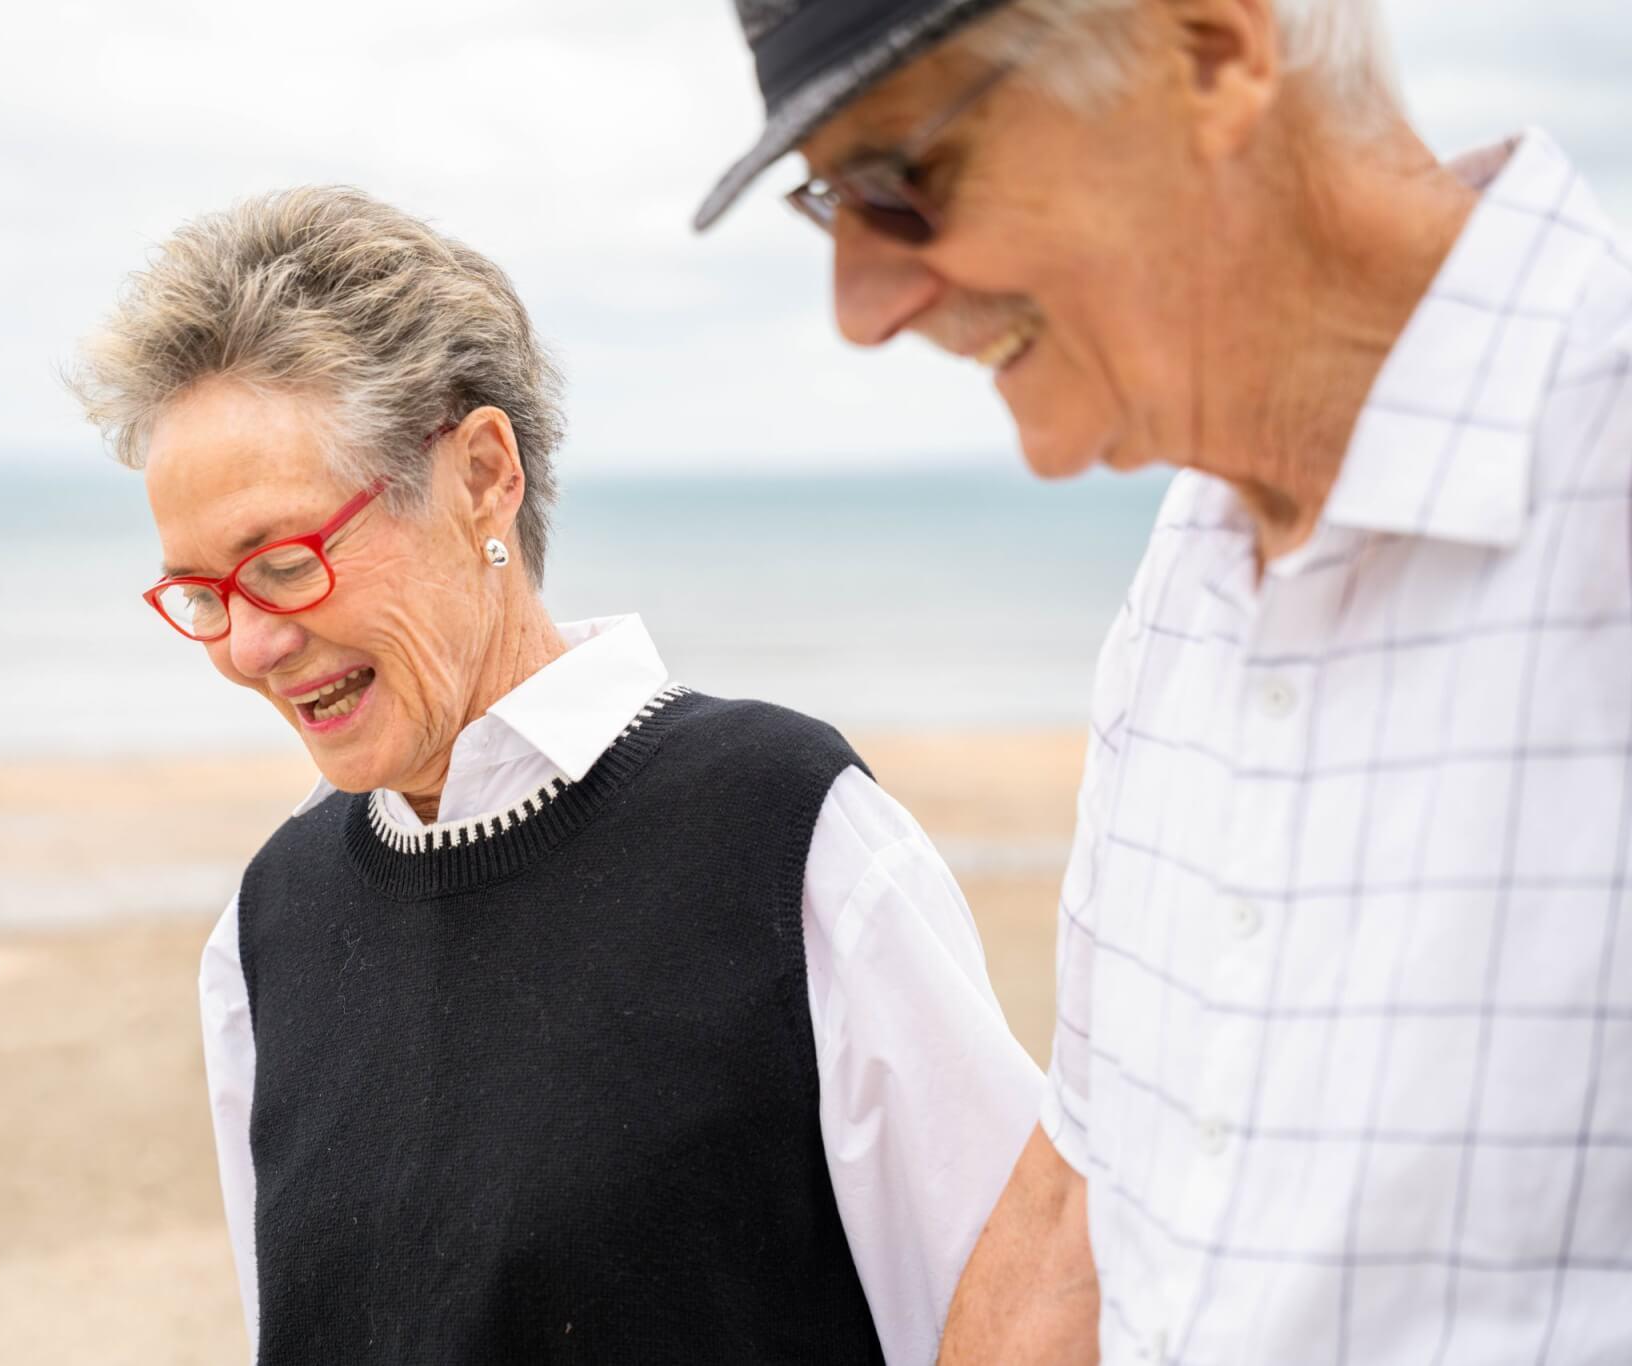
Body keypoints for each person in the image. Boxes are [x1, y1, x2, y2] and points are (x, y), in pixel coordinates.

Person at [696, 0, 1632, 1361]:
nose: (862, 307)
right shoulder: (1189, 564)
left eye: (901, 181)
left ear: (1210, 51)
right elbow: (1086, 1197)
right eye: (830, 201)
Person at [68, 187, 1040, 1364]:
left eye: (281, 562)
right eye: (203, 594)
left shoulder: (785, 835)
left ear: (482, 472)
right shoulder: (266, 929)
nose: (245, 647)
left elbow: (1028, 1310)